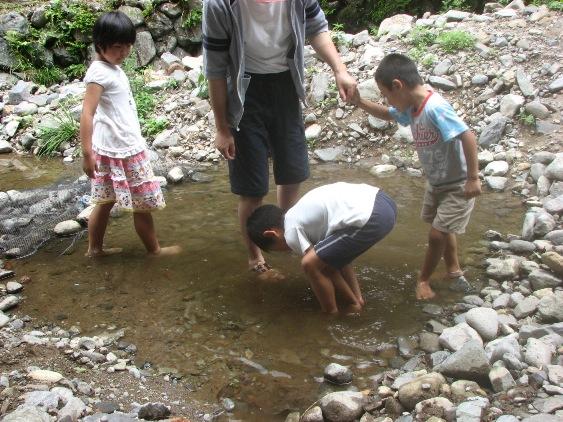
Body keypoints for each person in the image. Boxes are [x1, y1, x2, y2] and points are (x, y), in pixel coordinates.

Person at [202, 0, 357, 280]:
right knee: (252, 188)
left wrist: (339, 68)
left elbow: (317, 28)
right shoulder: (219, 4)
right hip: (243, 89)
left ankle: (286, 233)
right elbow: (214, 67)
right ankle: (255, 255)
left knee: (292, 173)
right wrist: (222, 127)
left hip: (286, 83)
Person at [350, 53, 481, 300]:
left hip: (457, 184)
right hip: (437, 182)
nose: (386, 100)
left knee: (437, 234)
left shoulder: (435, 108)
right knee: (442, 228)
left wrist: (473, 177)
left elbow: (467, 136)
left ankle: (423, 280)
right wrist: (359, 102)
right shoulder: (412, 107)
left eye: (386, 94)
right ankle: (453, 270)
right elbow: (388, 114)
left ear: (398, 85)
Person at [80, 11, 180, 257]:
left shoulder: (109, 67)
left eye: (127, 46)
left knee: (104, 202)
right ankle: (155, 250)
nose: (124, 52)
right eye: (117, 47)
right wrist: (86, 153)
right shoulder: (100, 73)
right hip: (121, 150)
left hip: (114, 147)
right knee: (141, 204)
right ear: (100, 45)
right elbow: (87, 113)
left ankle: (95, 251)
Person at [246, 182, 397, 314]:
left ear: (272, 233)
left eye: (280, 249)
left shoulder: (290, 230)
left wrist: (351, 302)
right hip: (383, 203)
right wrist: (355, 295)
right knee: (327, 260)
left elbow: (319, 267)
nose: (288, 250)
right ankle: (358, 300)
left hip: (372, 216)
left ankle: (331, 312)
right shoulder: (300, 214)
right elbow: (338, 263)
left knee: (309, 263)